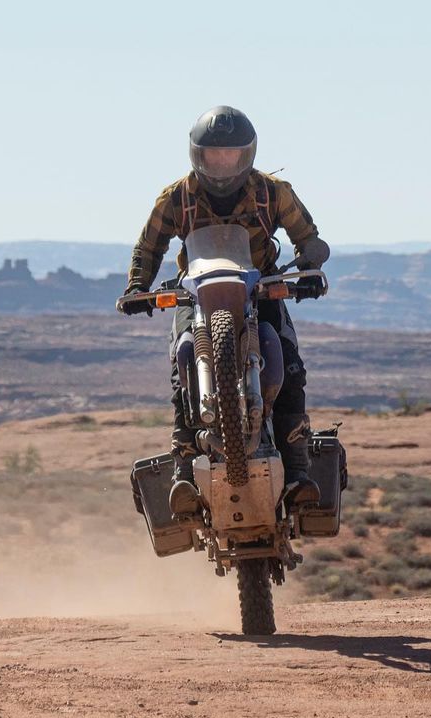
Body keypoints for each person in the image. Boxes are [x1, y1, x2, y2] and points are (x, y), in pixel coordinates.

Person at [119, 105, 329, 515]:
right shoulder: (177, 196)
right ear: (198, 155)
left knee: (288, 362)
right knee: (183, 361)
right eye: (214, 155)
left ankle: (300, 470)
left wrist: (309, 262)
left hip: (260, 288)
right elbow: (149, 246)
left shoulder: (272, 192)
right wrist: (136, 286)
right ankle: (183, 470)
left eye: (230, 155)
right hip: (196, 294)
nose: (221, 163)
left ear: (246, 154)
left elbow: (307, 234)